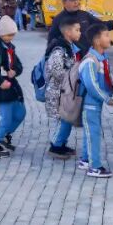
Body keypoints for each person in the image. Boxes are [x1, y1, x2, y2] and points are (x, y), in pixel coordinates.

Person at [77, 22, 113, 178]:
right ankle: (94, 166)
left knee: (91, 132)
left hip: (95, 105)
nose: (109, 38)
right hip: (90, 105)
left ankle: (85, 159)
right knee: (93, 134)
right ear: (96, 40)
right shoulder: (90, 60)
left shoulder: (101, 59)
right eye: (106, 35)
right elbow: (92, 85)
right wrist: (107, 98)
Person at [0, 16, 26, 157]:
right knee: (5, 117)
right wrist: (0, 82)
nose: (11, 38)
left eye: (12, 35)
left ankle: (4, 135)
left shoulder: (9, 47)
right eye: (8, 35)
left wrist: (15, 70)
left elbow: (18, 64)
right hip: (0, 88)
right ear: (1, 33)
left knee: (20, 113)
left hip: (11, 86)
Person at [45, 17, 82, 158]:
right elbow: (56, 70)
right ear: (67, 32)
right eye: (77, 30)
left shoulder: (70, 47)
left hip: (65, 91)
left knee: (66, 119)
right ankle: (56, 147)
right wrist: (72, 77)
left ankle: (61, 144)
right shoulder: (59, 50)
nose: (80, 33)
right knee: (62, 119)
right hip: (57, 92)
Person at [47, 0, 113, 47]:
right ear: (64, 3)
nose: (76, 2)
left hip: (85, 55)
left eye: (77, 0)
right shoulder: (58, 19)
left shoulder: (84, 15)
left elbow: (100, 25)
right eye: (73, 0)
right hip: (69, 58)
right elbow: (51, 41)